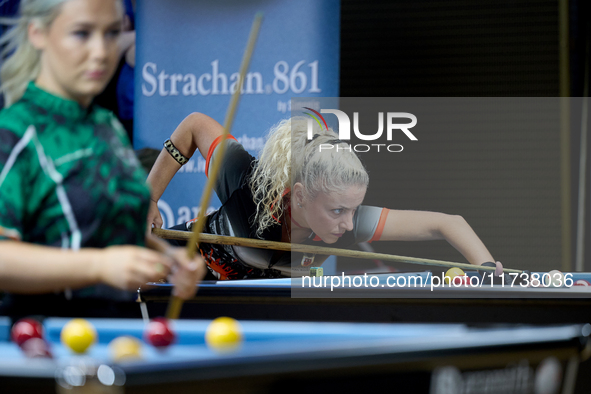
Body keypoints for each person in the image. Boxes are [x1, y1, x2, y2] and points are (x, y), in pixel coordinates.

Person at [0, 0, 205, 316]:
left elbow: (105, 228)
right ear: (38, 34)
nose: (101, 51)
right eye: (82, 33)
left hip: (122, 337)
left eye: (112, 33)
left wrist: (168, 258)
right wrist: (99, 266)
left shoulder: (107, 127)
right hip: (46, 344)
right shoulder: (12, 131)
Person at [147, 113, 505, 281]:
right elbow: (193, 126)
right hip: (167, 273)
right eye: (337, 210)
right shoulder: (247, 181)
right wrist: (148, 197)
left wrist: (488, 271)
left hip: (246, 316)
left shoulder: (345, 221)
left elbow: (447, 224)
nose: (348, 223)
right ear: (300, 195)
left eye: (352, 209)